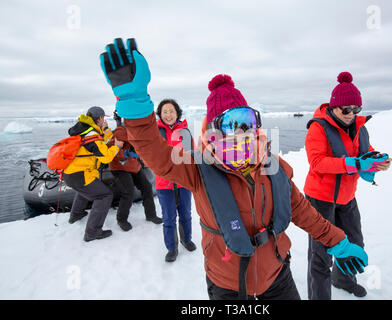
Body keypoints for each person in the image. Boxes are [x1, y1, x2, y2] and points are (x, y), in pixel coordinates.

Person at [99, 38, 369, 300]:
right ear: (215, 128)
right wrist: (134, 104)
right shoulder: (196, 169)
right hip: (227, 284)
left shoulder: (274, 167)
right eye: (232, 123)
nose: (243, 131)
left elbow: (303, 211)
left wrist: (338, 241)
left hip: (277, 276)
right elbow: (155, 153)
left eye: (248, 120)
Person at [304, 71, 392, 299]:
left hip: (346, 196)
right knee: (321, 253)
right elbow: (317, 162)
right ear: (334, 107)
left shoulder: (360, 128)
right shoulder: (318, 127)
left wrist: (377, 160)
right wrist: (353, 164)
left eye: (356, 109)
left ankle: (343, 280)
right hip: (320, 199)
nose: (351, 114)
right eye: (346, 109)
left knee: (354, 242)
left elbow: (366, 152)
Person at [63, 106, 123, 242]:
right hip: (80, 174)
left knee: (85, 189)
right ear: (100, 118)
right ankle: (93, 232)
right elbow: (106, 157)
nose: (104, 120)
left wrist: (106, 130)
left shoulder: (84, 129)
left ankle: (76, 214)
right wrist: (116, 147)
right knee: (105, 195)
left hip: (71, 173)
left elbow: (100, 140)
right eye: (104, 118)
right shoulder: (92, 135)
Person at [155, 99, 196, 262]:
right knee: (168, 217)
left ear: (177, 113)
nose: (168, 114)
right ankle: (172, 247)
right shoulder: (156, 133)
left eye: (171, 111)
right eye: (165, 111)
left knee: (186, 214)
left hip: (183, 182)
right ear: (160, 114)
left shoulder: (185, 132)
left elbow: (191, 156)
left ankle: (186, 239)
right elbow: (151, 156)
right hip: (164, 183)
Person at [108, 112, 162, 232]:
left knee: (147, 187)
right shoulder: (120, 131)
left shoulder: (138, 132)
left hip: (134, 166)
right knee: (128, 192)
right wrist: (129, 153)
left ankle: (151, 215)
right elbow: (113, 152)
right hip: (119, 167)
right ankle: (121, 219)